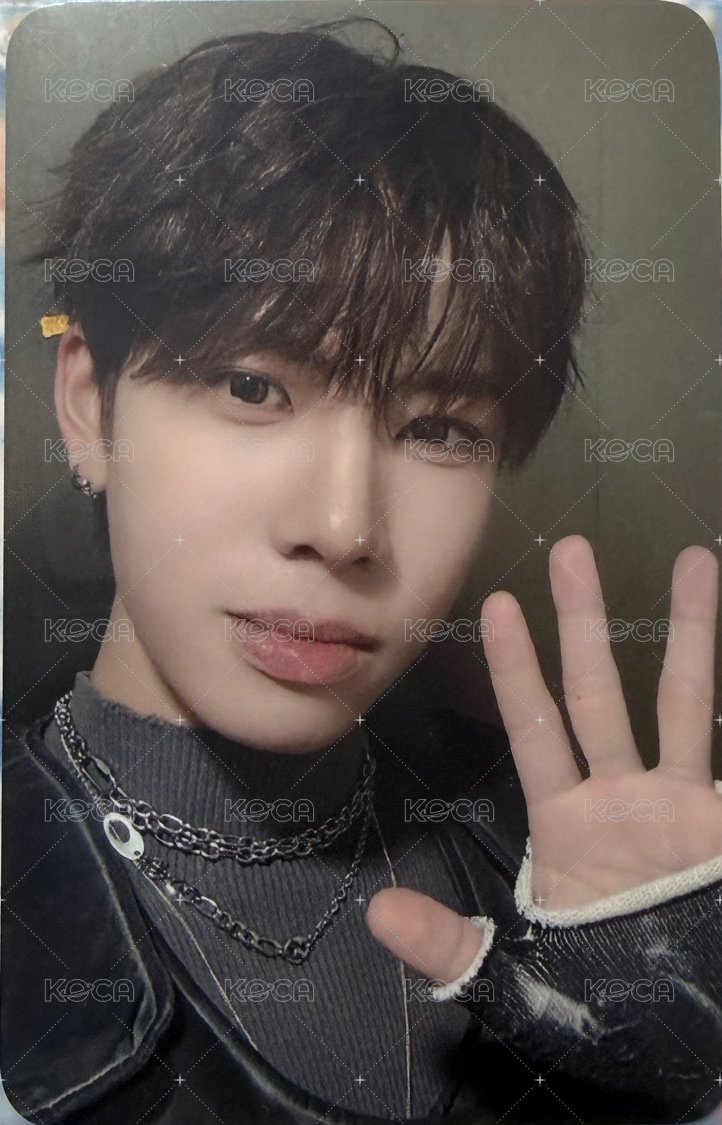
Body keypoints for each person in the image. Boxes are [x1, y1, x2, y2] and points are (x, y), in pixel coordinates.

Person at [3, 18, 722, 1125]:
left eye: (438, 428)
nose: (343, 528)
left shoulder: (557, 856)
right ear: (90, 407)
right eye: (251, 386)